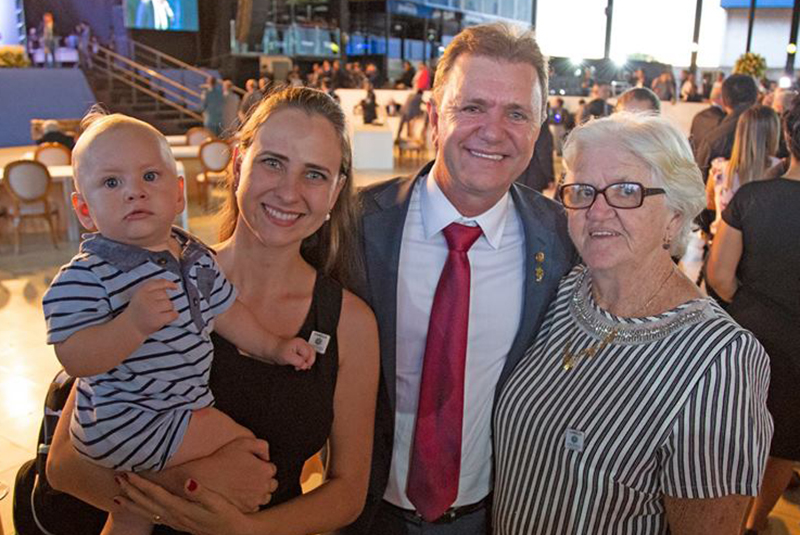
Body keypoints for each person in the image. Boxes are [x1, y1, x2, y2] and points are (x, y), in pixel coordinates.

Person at [46, 88, 379, 535]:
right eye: (272, 162)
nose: (288, 191)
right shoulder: (148, 281)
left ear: (336, 191)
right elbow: (65, 465)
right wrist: (188, 490)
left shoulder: (348, 323)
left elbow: (347, 492)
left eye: (314, 174)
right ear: (239, 163)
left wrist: (245, 530)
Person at [343, 22, 576, 534]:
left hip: (497, 516)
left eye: (516, 113)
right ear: (434, 117)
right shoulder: (355, 226)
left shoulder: (561, 241)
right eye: (472, 107)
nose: (493, 132)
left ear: (536, 132)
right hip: (363, 513)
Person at [494, 112, 772, 534]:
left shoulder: (719, 361)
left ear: (675, 218)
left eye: (627, 191)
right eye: (583, 191)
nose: (597, 211)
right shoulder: (563, 292)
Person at [707, 97, 800, 535]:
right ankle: (753, 524)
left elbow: (720, 276)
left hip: (750, 338)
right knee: (784, 444)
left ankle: (722, 519)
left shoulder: (752, 197)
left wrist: (754, 310)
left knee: (734, 434)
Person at [706, 105, 780, 235]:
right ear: (773, 134)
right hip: (763, 247)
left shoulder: (719, 169)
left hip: (721, 244)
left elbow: (709, 203)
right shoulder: (780, 169)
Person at [695, 73, 759, 183]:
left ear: (724, 100)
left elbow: (698, 181)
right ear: (756, 97)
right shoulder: (775, 130)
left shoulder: (714, 139)